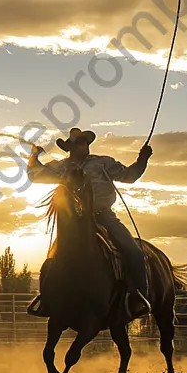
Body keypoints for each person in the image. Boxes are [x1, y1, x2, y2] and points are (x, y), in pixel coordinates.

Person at [26, 127, 153, 320]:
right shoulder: (61, 167)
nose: (83, 146)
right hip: (74, 223)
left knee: (134, 251)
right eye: (79, 143)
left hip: (105, 218)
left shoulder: (102, 163)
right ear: (70, 148)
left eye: (85, 142)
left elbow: (129, 176)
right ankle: (48, 298)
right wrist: (34, 156)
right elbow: (35, 175)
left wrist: (142, 159)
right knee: (52, 260)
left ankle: (139, 298)